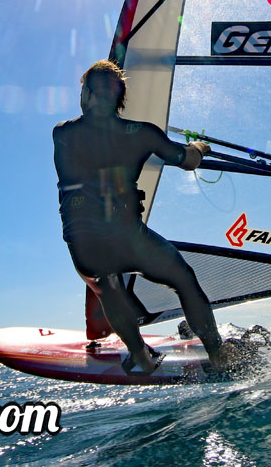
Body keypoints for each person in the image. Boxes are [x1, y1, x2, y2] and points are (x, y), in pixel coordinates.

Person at [53, 60, 240, 374]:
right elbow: (187, 160)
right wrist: (199, 146)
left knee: (107, 285)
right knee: (184, 280)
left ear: (86, 94)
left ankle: (140, 355)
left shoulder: (62, 133)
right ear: (120, 98)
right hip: (128, 236)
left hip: (84, 243)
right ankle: (217, 353)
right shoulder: (143, 134)